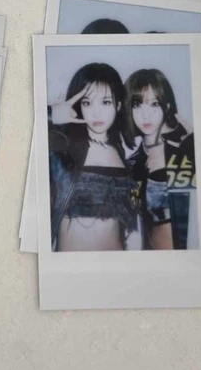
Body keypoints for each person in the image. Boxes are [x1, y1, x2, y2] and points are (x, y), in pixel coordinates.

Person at [47, 63, 143, 252]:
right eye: (87, 103)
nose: (96, 112)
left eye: (105, 102)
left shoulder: (124, 153)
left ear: (118, 105)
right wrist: (51, 116)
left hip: (116, 263)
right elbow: (18, 137)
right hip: (70, 265)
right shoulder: (62, 147)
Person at [124, 69, 179, 250]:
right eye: (137, 105)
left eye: (154, 104)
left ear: (167, 106)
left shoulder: (184, 153)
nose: (145, 115)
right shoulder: (131, 166)